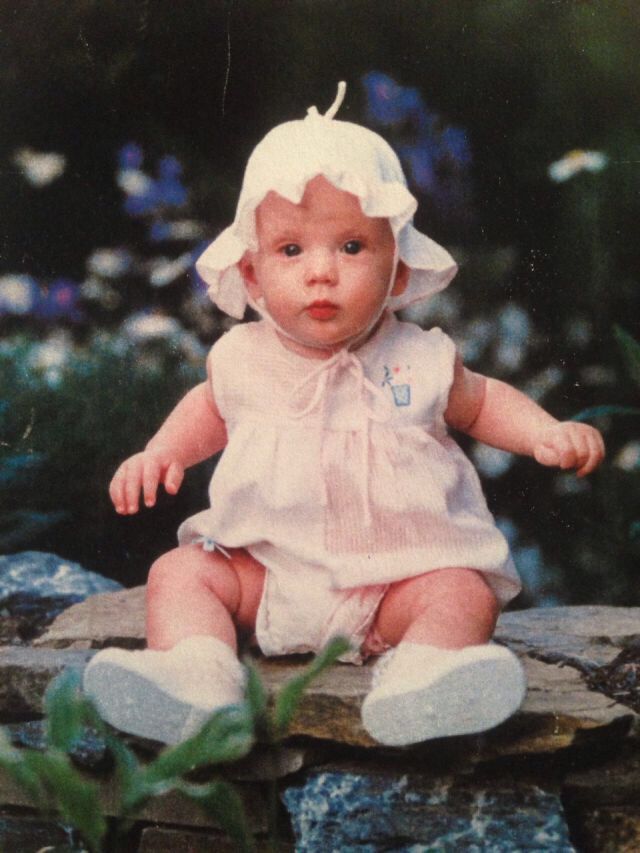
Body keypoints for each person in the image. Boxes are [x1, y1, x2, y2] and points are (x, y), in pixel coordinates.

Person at [84, 83, 605, 747]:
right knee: (180, 574)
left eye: (352, 247)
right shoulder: (241, 357)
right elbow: (207, 409)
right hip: (265, 575)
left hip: (395, 583)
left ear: (396, 269)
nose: (322, 272)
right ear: (251, 274)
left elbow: (483, 400)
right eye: (292, 250)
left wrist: (543, 432)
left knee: (461, 591)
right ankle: (198, 680)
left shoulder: (417, 358)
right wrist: (161, 453)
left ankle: (424, 679)